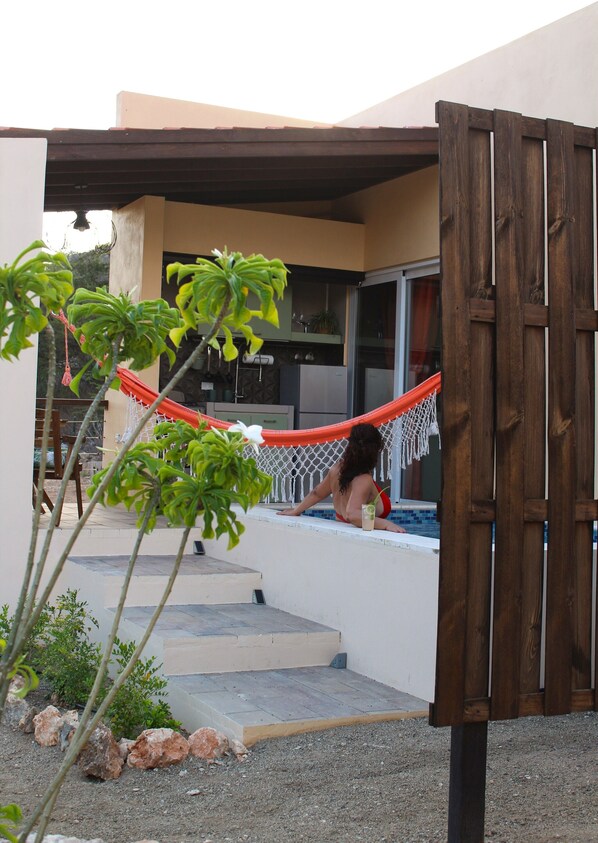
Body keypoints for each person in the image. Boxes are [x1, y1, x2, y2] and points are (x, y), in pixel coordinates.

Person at [276, 423, 406, 533]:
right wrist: (386, 524)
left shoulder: (336, 469)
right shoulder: (363, 479)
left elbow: (316, 493)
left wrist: (296, 510)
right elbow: (352, 514)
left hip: (341, 530)